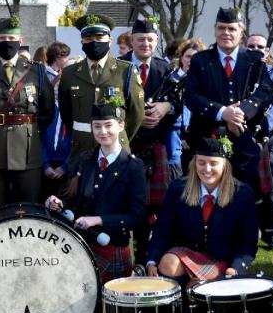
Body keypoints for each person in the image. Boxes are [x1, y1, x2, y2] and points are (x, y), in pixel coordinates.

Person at [46, 101, 146, 284]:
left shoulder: (133, 167)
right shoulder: (85, 161)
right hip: (80, 245)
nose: (103, 131)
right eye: (97, 126)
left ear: (121, 126)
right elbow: (72, 201)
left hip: (113, 247)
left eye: (108, 125)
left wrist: (98, 220)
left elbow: (136, 216)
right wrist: (60, 204)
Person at [184, 7, 273, 198]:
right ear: (215, 29)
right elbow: (191, 96)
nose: (226, 33)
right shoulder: (200, 60)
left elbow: (265, 93)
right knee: (207, 201)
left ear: (241, 32)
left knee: (246, 201)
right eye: (221, 28)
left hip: (246, 144)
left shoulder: (256, 60)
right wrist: (222, 112)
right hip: (207, 143)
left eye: (231, 29)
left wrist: (241, 112)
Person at [147, 137, 258, 284]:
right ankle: (186, 295)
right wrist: (152, 260)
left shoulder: (243, 194)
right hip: (189, 255)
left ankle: (193, 292)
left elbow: (248, 243)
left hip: (224, 259)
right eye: (201, 162)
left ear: (225, 166)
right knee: (169, 264)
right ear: (194, 164)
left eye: (213, 163)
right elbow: (162, 230)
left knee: (198, 288)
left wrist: (235, 268)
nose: (207, 169)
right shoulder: (178, 189)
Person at [119, 17, 178, 264]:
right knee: (126, 205)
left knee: (154, 210)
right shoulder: (117, 67)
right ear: (131, 40)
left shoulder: (166, 69)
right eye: (140, 39)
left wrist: (167, 106)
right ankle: (124, 259)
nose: (146, 43)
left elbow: (181, 102)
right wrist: (136, 118)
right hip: (126, 146)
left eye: (150, 39)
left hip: (156, 148)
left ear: (157, 42)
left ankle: (149, 258)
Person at [0, 16, 55, 205]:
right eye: (2, 39)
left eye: (11, 39)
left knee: (29, 204)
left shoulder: (36, 71)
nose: (7, 43)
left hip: (28, 150)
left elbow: (48, 110)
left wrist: (30, 131)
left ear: (20, 40)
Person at [58, 14, 144, 170]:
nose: (94, 42)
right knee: (80, 193)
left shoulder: (126, 71)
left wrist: (117, 135)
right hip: (81, 149)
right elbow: (66, 115)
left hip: (116, 150)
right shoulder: (69, 73)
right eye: (88, 38)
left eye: (99, 37)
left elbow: (137, 114)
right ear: (82, 42)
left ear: (110, 41)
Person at [246, 33, 273, 249]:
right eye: (251, 46)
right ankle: (248, 231)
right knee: (246, 186)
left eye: (260, 46)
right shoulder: (241, 71)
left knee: (271, 187)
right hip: (242, 133)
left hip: (270, 135)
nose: (256, 49)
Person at [166, 39, 206, 180]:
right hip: (174, 140)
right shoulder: (170, 80)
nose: (191, 60)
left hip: (197, 139)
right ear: (181, 58)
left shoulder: (205, 82)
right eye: (188, 56)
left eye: (196, 57)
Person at [40, 75, 71, 199]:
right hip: (47, 162)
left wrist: (65, 166)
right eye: (56, 85)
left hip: (65, 164)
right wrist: (45, 164)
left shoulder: (72, 110)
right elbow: (40, 139)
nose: (58, 89)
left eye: (62, 86)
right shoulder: (46, 109)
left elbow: (75, 141)